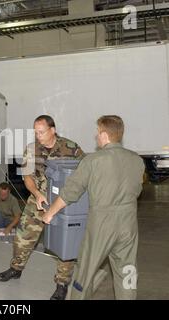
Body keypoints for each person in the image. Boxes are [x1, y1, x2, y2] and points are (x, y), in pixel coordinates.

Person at [42, 115, 145, 300]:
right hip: (129, 223)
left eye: (98, 132)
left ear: (105, 135)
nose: (96, 136)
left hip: (102, 222)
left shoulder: (93, 160)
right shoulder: (137, 160)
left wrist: (50, 213)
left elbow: (70, 193)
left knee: (85, 272)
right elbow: (137, 190)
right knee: (127, 271)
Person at [0, 115, 85, 301]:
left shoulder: (72, 148)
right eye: (36, 132)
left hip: (63, 204)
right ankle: (16, 268)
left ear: (52, 130)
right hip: (38, 201)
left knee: (65, 245)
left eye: (42, 132)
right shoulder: (31, 149)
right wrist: (37, 194)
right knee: (22, 237)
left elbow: (84, 175)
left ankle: (61, 285)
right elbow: (27, 177)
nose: (38, 136)